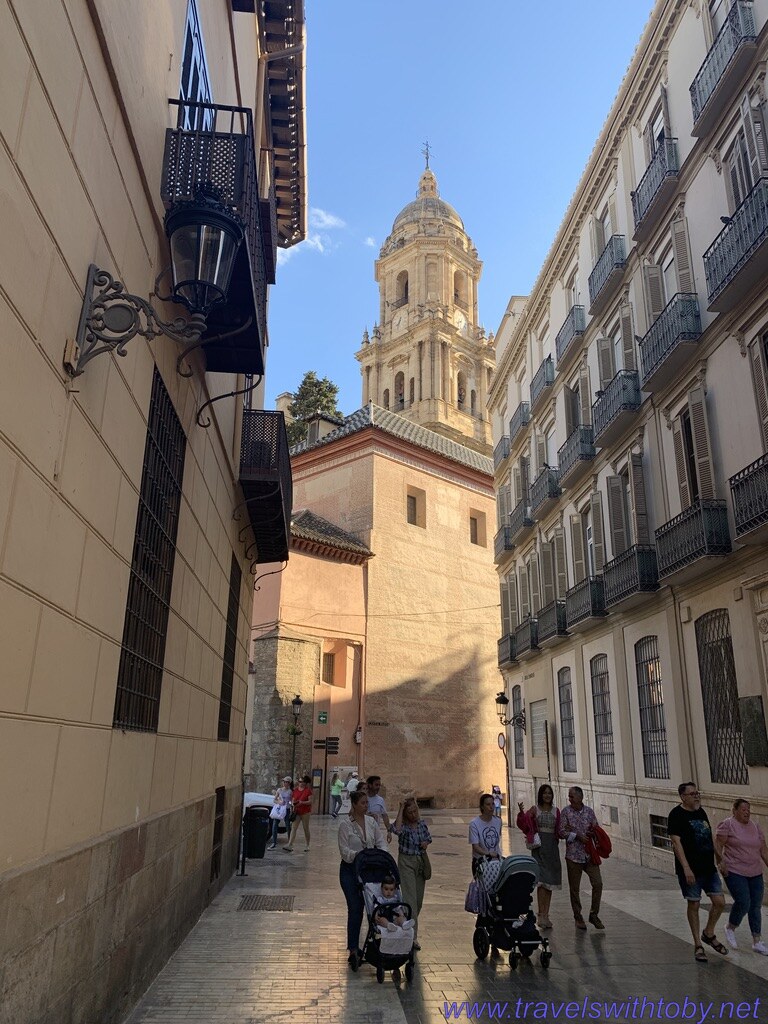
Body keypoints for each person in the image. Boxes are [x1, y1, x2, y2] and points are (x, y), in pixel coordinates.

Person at [668, 782, 726, 963]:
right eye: (692, 794)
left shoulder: (701, 812)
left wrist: (719, 858)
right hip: (691, 869)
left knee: (720, 902)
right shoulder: (676, 815)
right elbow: (676, 843)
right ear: (683, 797)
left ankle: (708, 933)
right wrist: (686, 868)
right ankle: (698, 944)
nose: (696, 796)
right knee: (694, 904)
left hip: (708, 868)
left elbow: (709, 837)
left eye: (697, 793)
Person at [338, 790, 387, 967]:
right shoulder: (345, 825)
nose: (366, 806)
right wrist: (359, 855)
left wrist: (382, 855)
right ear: (354, 804)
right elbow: (344, 851)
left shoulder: (371, 822)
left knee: (373, 907)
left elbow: (381, 842)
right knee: (355, 908)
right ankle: (353, 948)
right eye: (363, 803)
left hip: (369, 870)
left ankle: (374, 944)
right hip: (350, 870)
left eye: (367, 803)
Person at [715, 798, 768, 955]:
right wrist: (720, 862)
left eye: (748, 809)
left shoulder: (755, 827)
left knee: (756, 905)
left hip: (755, 871)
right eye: (743, 809)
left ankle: (757, 941)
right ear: (735, 810)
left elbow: (763, 849)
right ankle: (730, 927)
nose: (747, 812)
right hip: (734, 870)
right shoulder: (728, 824)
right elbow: (718, 844)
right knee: (744, 901)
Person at [517, 784, 562, 929]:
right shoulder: (534, 810)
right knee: (542, 882)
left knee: (549, 883)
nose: (547, 795)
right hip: (539, 848)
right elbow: (524, 825)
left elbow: (559, 831)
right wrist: (521, 814)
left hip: (552, 849)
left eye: (549, 793)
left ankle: (546, 914)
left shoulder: (556, 811)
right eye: (544, 793)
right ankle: (541, 914)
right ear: (540, 795)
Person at [559, 786, 604, 931]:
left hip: (589, 855)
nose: (570, 799)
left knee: (598, 883)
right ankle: (578, 917)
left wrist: (592, 833)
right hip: (573, 856)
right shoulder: (566, 812)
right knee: (574, 889)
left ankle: (594, 914)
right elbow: (561, 831)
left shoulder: (589, 812)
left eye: (572, 796)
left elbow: (596, 827)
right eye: (569, 796)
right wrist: (577, 836)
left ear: (580, 797)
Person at [392, 798, 432, 950]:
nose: (414, 814)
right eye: (410, 812)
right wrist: (400, 809)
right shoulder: (403, 825)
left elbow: (428, 838)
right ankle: (412, 937)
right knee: (410, 900)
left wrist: (425, 843)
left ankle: (403, 921)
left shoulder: (421, 824)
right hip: (406, 862)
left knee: (418, 901)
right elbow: (396, 830)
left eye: (415, 811)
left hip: (420, 862)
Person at [469, 793, 501, 876]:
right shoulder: (474, 823)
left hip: (496, 862)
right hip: (480, 862)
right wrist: (488, 854)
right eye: (488, 804)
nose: (491, 807)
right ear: (482, 807)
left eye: (493, 804)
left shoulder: (498, 821)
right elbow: (476, 847)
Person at [284, 774, 313, 852]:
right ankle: (290, 844)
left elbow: (310, 801)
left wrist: (302, 802)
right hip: (296, 812)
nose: (300, 783)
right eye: (299, 781)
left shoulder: (308, 791)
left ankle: (307, 845)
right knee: (294, 828)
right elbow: (292, 800)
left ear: (305, 783)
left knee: (306, 828)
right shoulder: (295, 790)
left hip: (305, 812)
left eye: (301, 781)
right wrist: (293, 804)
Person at [268, 775, 293, 850]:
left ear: (289, 783)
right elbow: (274, 800)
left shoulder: (290, 792)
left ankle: (290, 843)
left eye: (286, 782)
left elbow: (291, 801)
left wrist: (290, 805)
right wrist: (279, 802)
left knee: (288, 825)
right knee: (275, 824)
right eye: (284, 782)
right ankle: (274, 842)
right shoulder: (279, 790)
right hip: (279, 809)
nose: (285, 783)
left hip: (287, 809)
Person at [366, 775, 392, 840]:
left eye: (379, 785)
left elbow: (385, 816)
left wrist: (389, 831)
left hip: (375, 834)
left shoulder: (380, 800)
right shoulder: (362, 798)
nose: (378, 787)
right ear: (370, 785)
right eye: (376, 785)